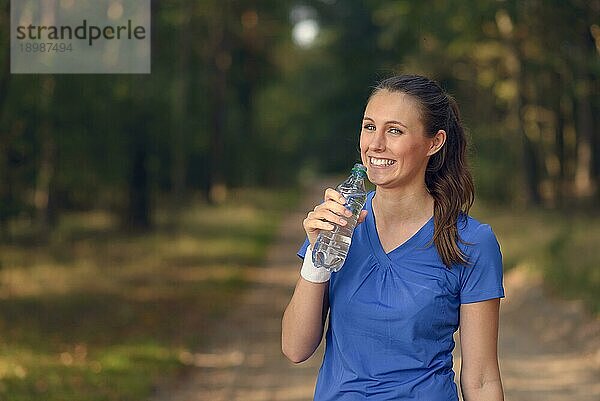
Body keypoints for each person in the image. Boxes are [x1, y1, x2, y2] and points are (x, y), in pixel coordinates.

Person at [281, 74, 505, 401]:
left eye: (395, 131)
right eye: (369, 126)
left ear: (434, 142)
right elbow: (294, 348)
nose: (375, 144)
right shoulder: (338, 222)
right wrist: (317, 259)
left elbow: (482, 379)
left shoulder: (471, 241)